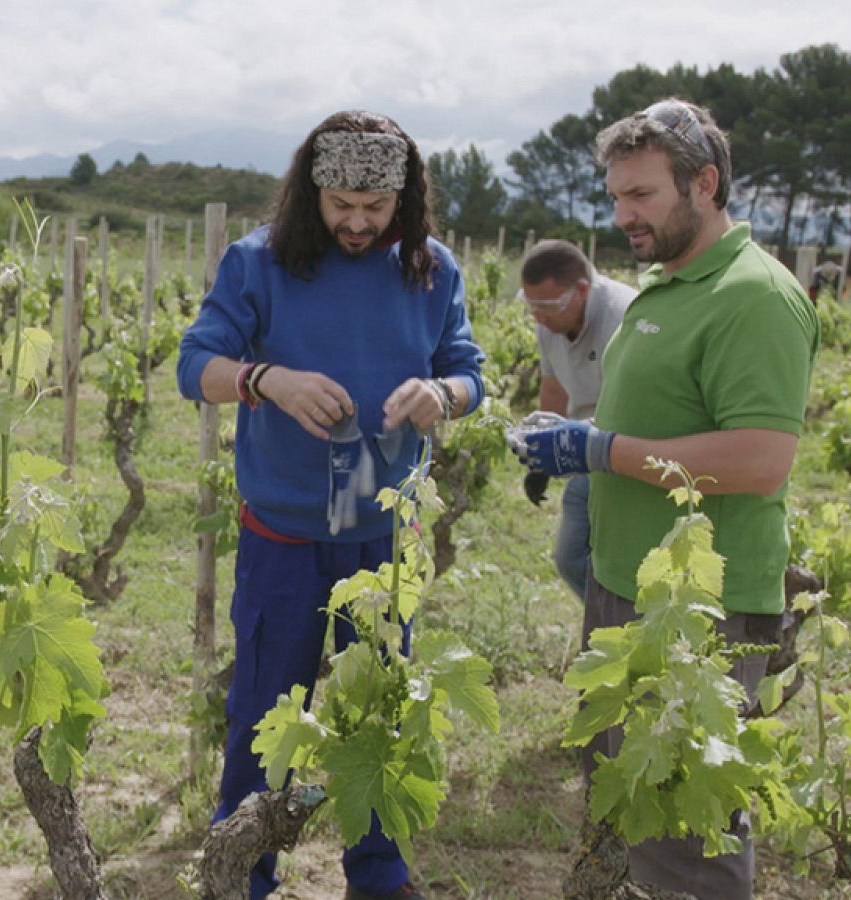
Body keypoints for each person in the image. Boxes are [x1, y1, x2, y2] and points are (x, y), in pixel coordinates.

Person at [509, 98, 818, 899]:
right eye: (615, 197)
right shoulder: (664, 285)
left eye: (641, 195)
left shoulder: (753, 296)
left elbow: (760, 460)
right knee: (622, 797)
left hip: (698, 612)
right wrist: (573, 434)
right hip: (624, 585)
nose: (623, 216)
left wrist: (601, 449)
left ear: (705, 184)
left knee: (686, 827)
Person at [176, 109, 484, 900]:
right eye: (339, 204)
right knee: (262, 714)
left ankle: (378, 878)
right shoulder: (261, 262)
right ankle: (246, 874)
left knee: (378, 713)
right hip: (284, 530)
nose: (354, 223)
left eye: (373, 209)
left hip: (381, 533)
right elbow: (195, 363)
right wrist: (265, 379)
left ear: (403, 202)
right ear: (311, 191)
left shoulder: (431, 268)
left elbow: (468, 371)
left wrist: (442, 394)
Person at [517, 239, 636, 599]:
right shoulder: (549, 322)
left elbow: (639, 405)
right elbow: (553, 387)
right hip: (586, 450)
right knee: (571, 557)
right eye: (530, 305)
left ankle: (623, 631)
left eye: (547, 306)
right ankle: (607, 629)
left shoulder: (624, 317)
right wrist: (540, 454)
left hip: (629, 450)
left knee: (622, 562)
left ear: (581, 290)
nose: (537, 316)